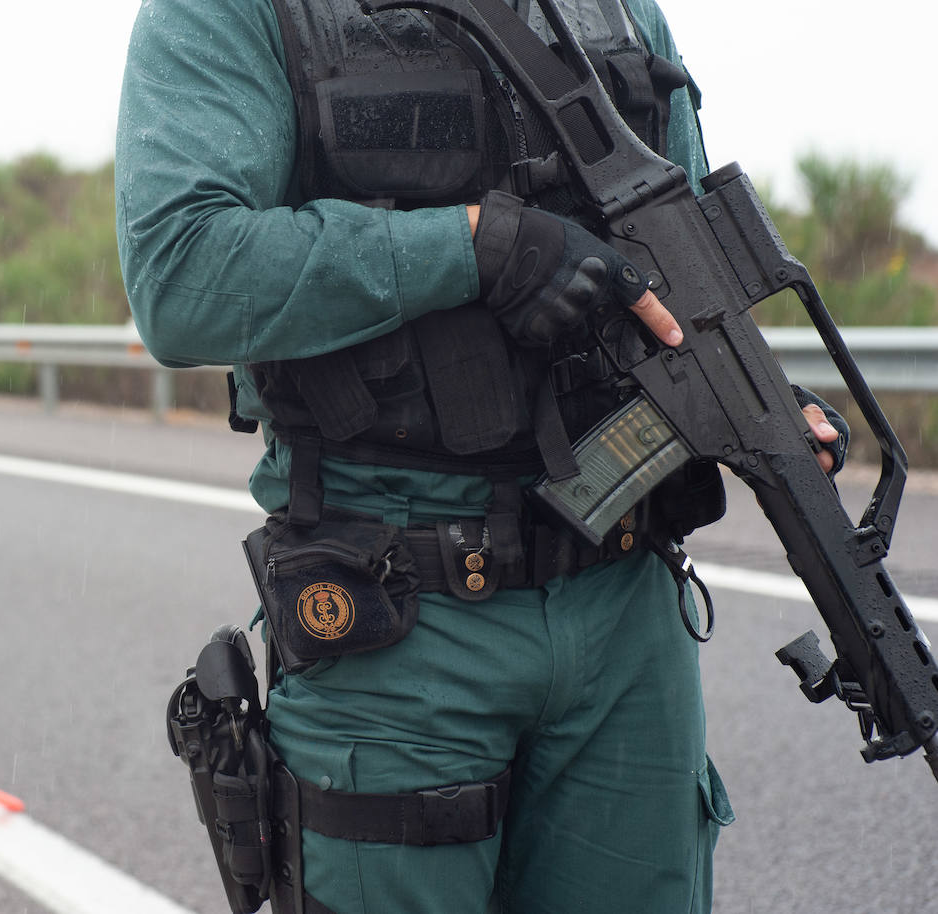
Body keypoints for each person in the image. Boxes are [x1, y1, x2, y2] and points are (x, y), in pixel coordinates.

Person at [118, 1, 848, 911]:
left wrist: (756, 398)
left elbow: (678, 269)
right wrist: (474, 246)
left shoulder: (621, 11)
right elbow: (181, 274)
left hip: (628, 613)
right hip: (394, 618)